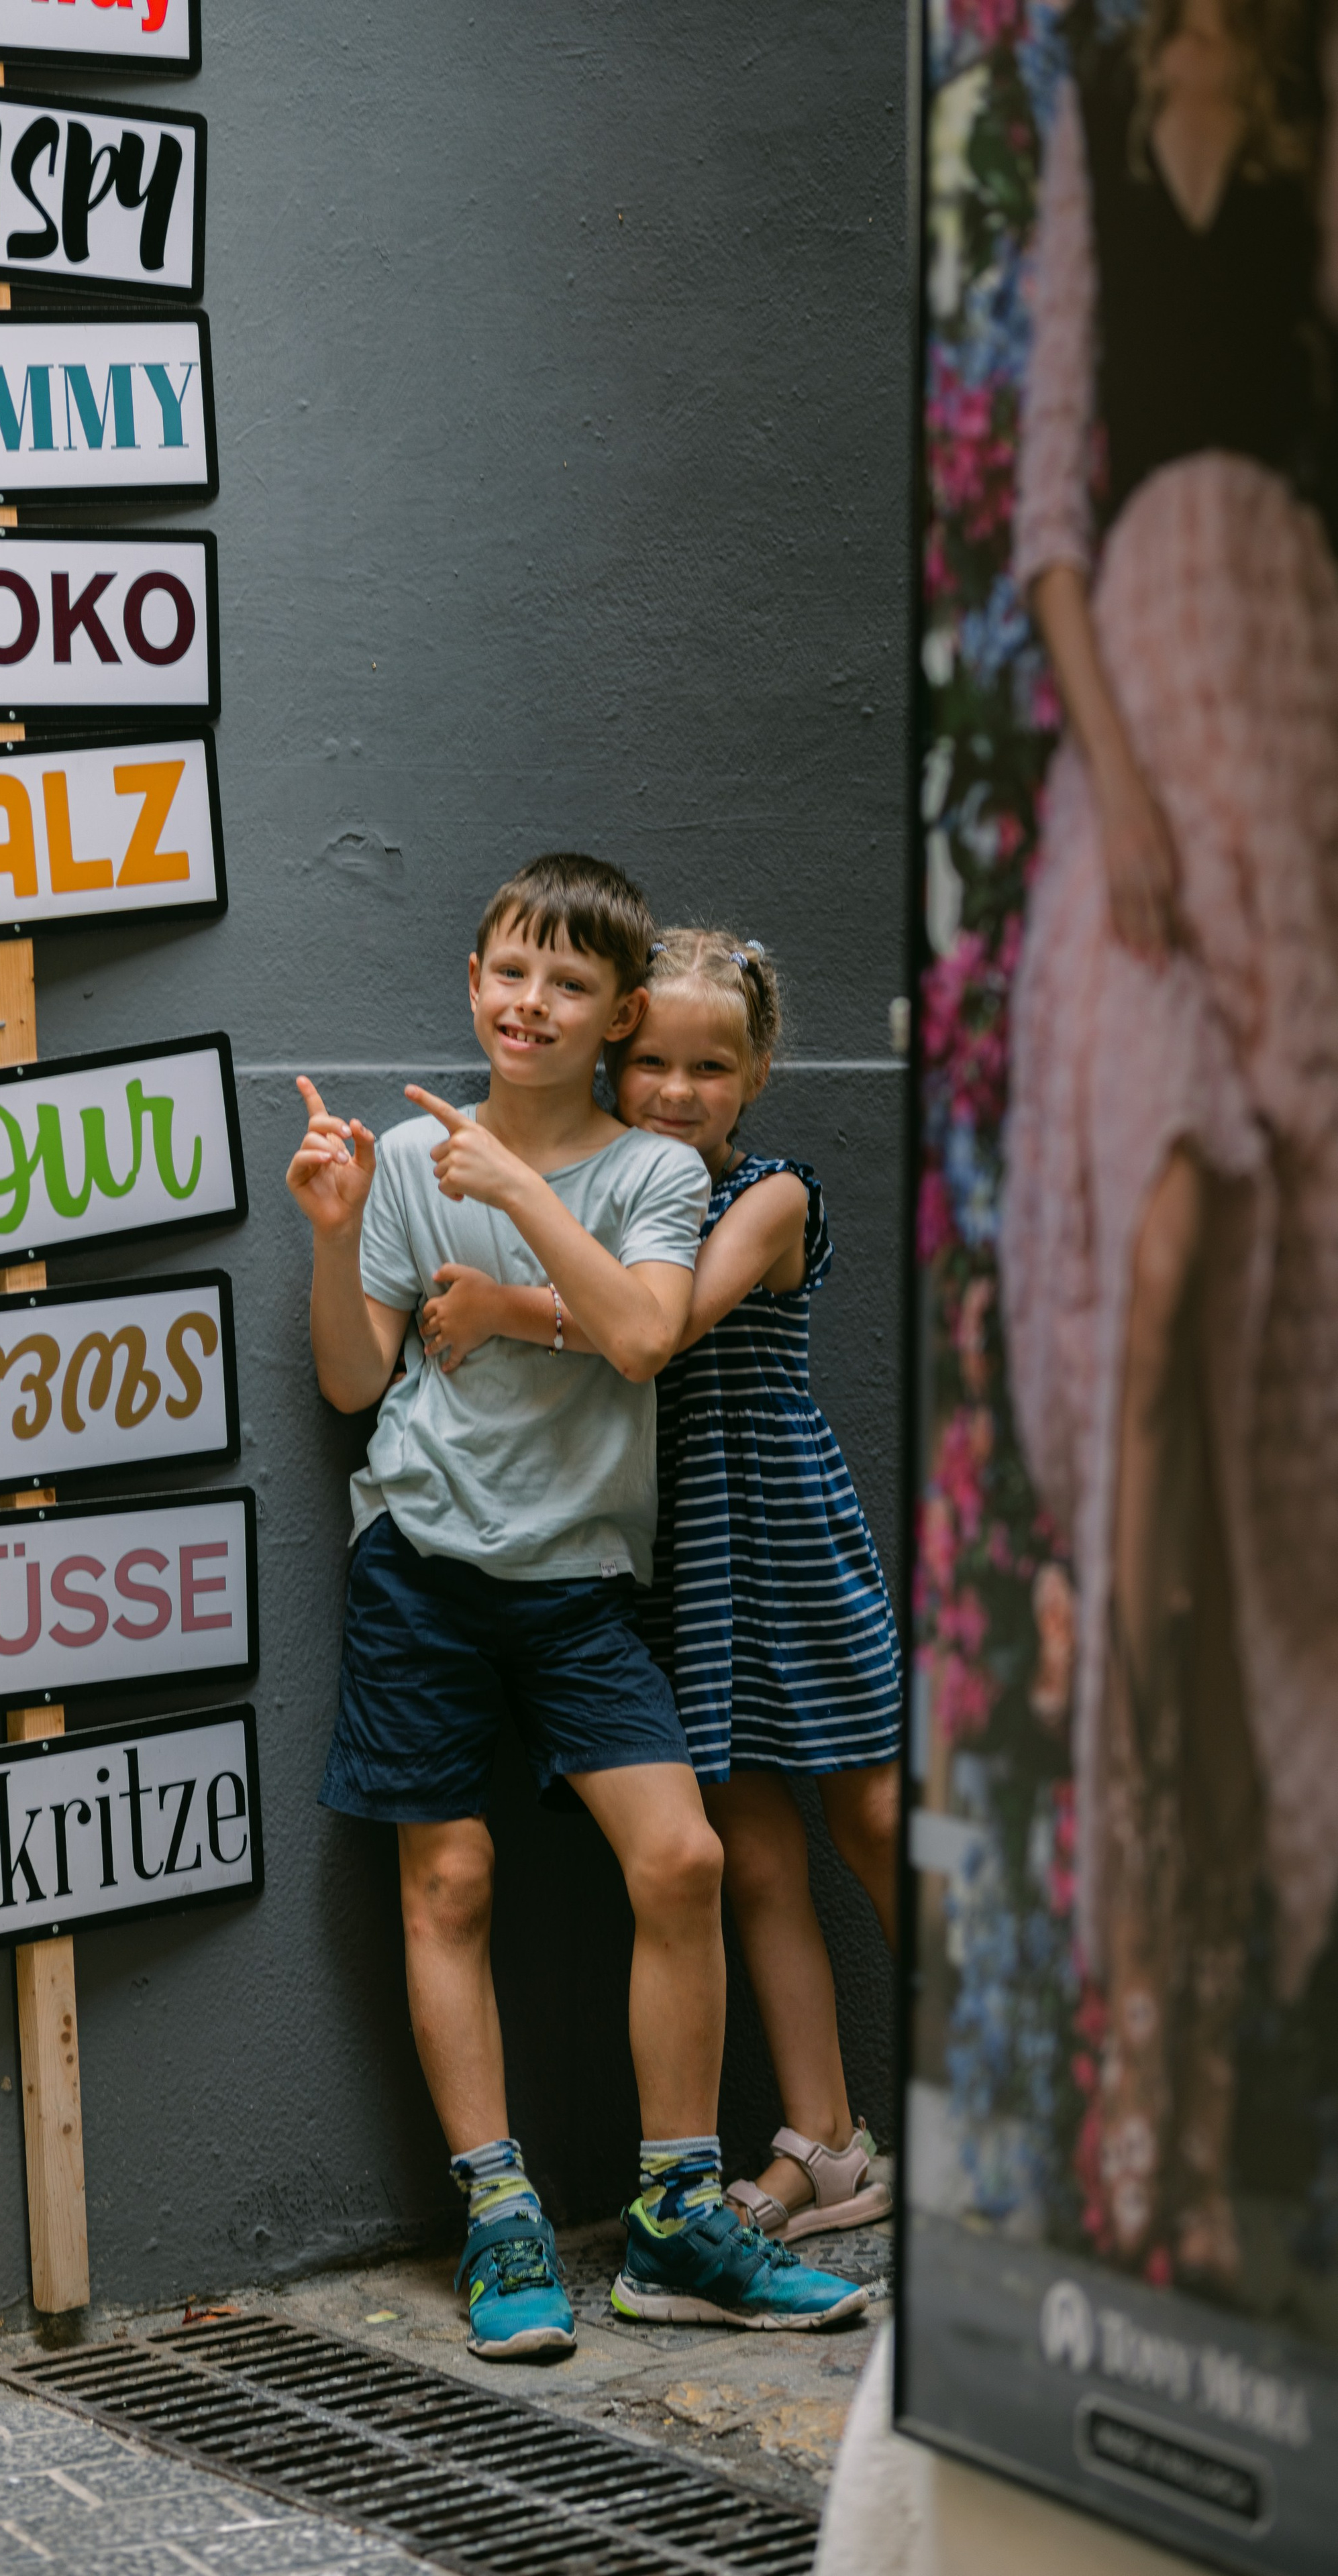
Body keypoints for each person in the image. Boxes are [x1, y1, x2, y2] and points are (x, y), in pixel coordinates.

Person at [287, 855, 869, 2359]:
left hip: (582, 1585)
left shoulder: (661, 1173)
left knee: (676, 1859)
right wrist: (339, 1226)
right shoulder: (415, 1155)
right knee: (451, 1883)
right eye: (506, 972)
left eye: (563, 984)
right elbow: (356, 1384)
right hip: (417, 1562)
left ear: (608, 1018)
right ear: (473, 981)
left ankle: (674, 2216)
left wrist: (519, 1191)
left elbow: (631, 1338)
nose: (526, 1003)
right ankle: (498, 2219)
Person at [1003, 0, 1338, 2290]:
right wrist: (1116, 791)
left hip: (1292, 712)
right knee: (1147, 1353)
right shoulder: (1095, 130)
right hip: (1144, 752)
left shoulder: (1321, 114)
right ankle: (1132, 2092)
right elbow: (1040, 514)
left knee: (1252, 1435)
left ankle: (1204, 2135)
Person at [421, 930, 902, 2252]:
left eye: (710, 1065)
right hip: (680, 1557)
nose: (676, 1090)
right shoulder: (610, 1195)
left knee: (872, 1818)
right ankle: (824, 2142)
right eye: (650, 1064)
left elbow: (664, 1324)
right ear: (613, 1061)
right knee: (749, 1851)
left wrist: (503, 1306)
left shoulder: (771, 1196)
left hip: (784, 1533)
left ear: (755, 1073)